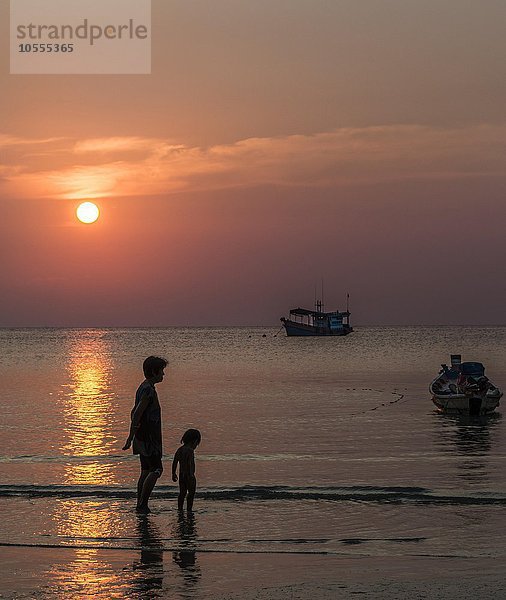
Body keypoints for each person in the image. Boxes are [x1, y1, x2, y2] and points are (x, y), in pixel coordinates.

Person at [123, 356, 168, 513]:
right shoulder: (148, 390)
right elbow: (136, 413)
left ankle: (140, 504)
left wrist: (134, 434)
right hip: (149, 438)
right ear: (154, 372)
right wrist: (130, 436)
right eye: (161, 371)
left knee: (145, 470)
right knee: (156, 470)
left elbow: (133, 411)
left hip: (144, 436)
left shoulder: (143, 387)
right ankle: (143, 504)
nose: (163, 374)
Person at [172, 429, 201, 511]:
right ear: (194, 441)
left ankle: (180, 509)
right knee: (191, 493)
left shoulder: (180, 450)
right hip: (189, 475)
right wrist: (191, 474)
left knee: (182, 493)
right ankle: (189, 509)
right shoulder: (190, 451)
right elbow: (190, 463)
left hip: (181, 475)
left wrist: (173, 473)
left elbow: (175, 462)